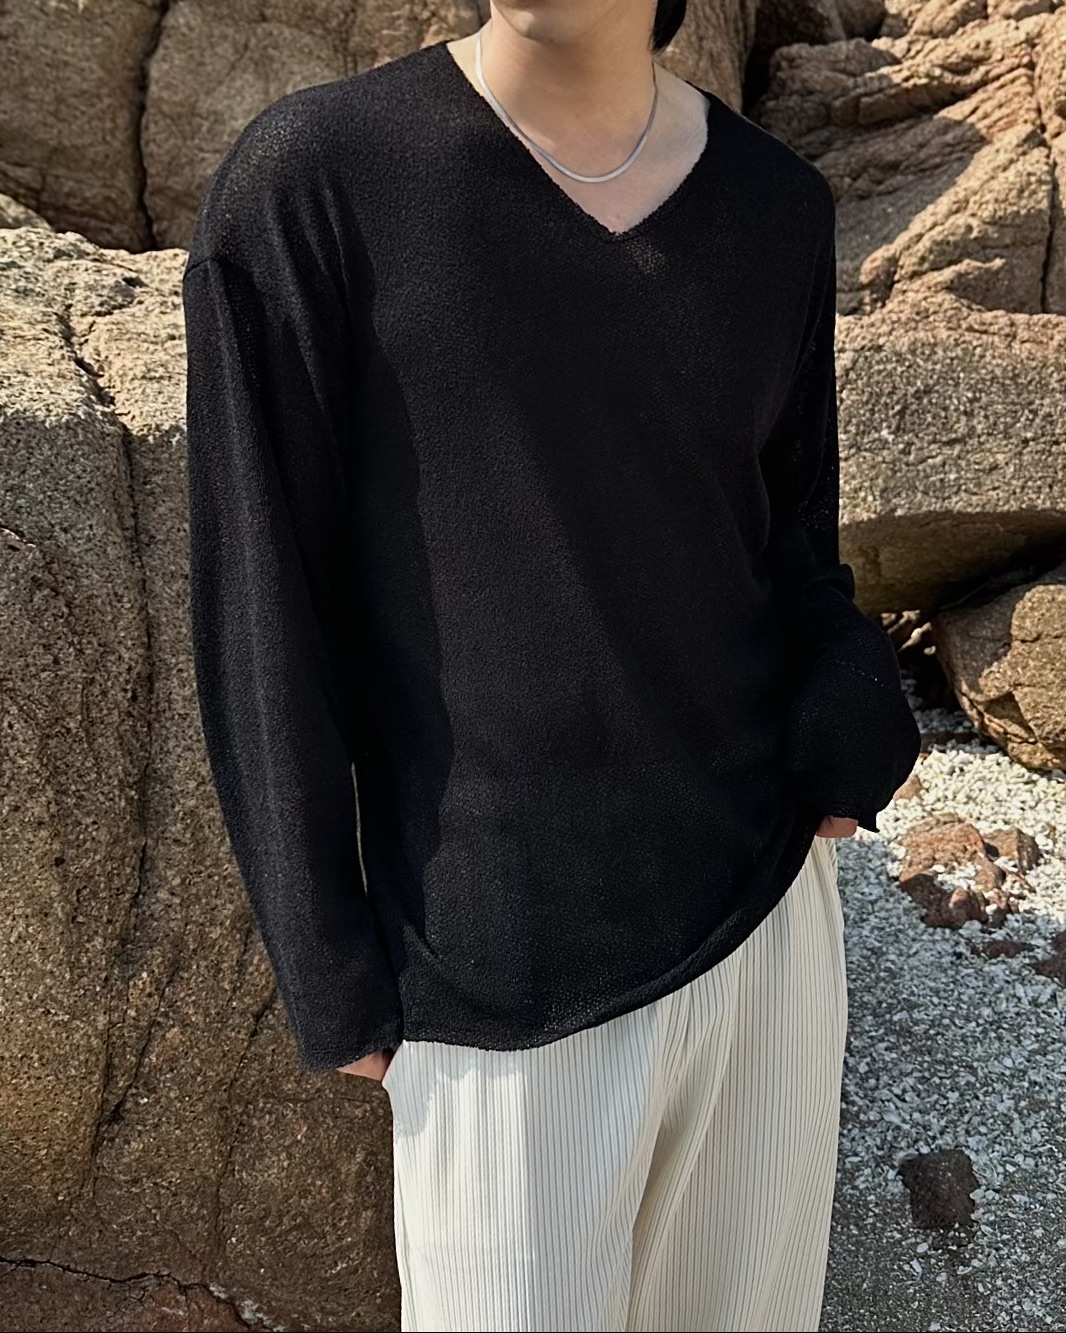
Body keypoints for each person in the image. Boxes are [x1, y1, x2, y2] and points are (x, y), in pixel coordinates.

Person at [182, 3, 921, 1329]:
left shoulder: (775, 207)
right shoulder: (314, 181)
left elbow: (792, 544)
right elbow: (259, 597)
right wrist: (325, 959)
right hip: (497, 966)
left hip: (766, 931)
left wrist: (853, 706)